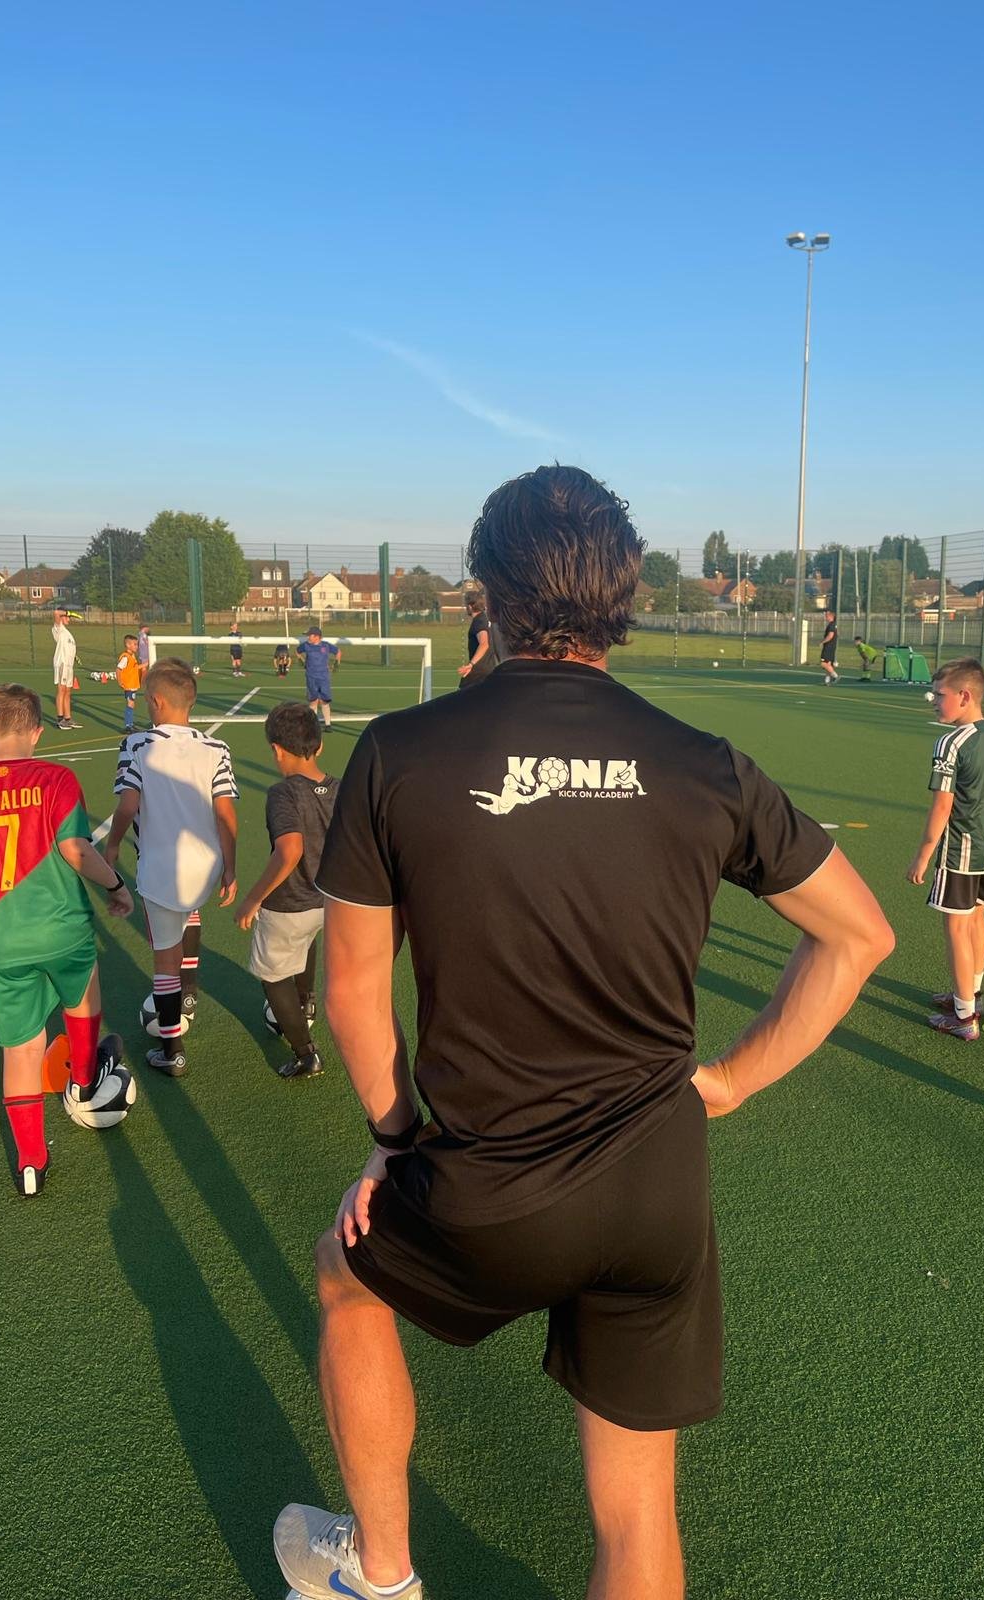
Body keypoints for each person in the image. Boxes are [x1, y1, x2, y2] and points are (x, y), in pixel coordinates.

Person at [272, 464, 894, 1600]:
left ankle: (382, 1570)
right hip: (656, 1187)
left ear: (486, 595)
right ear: (624, 595)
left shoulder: (400, 754)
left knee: (345, 1278)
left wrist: (396, 1134)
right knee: (638, 1506)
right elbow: (858, 937)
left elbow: (356, 990)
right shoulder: (706, 762)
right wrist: (729, 1085)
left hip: (485, 1180)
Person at [0, 684, 133, 1195]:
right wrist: (118, 887)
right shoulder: (56, 777)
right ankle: (82, 1080)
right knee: (82, 997)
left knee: (21, 1050)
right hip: (62, 929)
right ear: (36, 732)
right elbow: (76, 849)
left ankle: (31, 1162)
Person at [103, 657, 238, 1078]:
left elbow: (127, 805)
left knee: (164, 959)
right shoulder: (217, 747)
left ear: (157, 701)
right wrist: (230, 869)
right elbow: (227, 815)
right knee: (190, 912)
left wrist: (110, 850)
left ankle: (172, 1049)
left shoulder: (138, 745)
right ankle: (191, 992)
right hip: (206, 864)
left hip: (161, 867)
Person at [906, 656, 984, 1041]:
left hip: (963, 850)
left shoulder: (951, 742)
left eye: (940, 695)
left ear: (965, 696)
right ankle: (973, 995)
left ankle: (964, 1016)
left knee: (956, 925)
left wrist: (923, 854)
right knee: (976, 920)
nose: (934, 701)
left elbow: (943, 804)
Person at [235, 703, 339, 1080]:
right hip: (327, 900)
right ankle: (307, 1003)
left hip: (289, 905)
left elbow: (290, 849)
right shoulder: (339, 788)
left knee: (273, 975)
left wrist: (253, 898)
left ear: (277, 750)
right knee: (307, 942)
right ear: (319, 746)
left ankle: (305, 1053)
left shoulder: (283, 793)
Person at [297, 627, 341, 730]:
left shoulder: (326, 645)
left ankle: (328, 724)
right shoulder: (306, 646)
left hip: (324, 677)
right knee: (313, 701)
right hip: (311, 676)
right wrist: (301, 660)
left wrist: (336, 664)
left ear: (317, 637)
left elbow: (338, 652)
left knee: (325, 701)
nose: (308, 637)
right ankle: (314, 724)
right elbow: (297, 651)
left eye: (310, 635)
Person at [457, 587, 496, 688]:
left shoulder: (479, 621)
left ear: (470, 606)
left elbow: (484, 644)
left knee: (461, 700)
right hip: (488, 670)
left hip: (478, 672)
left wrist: (471, 664)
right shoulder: (485, 618)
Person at [104, 633, 142, 731]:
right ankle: (128, 725)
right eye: (135, 644)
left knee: (132, 704)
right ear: (128, 645)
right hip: (129, 684)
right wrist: (120, 681)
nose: (136, 646)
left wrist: (145, 665)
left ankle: (130, 724)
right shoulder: (125, 657)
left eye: (137, 644)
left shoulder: (132, 656)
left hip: (133, 684)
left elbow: (134, 668)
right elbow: (118, 669)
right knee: (130, 703)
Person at [52, 607, 79, 728]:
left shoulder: (67, 633)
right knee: (61, 690)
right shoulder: (59, 629)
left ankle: (68, 718)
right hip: (61, 663)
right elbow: (56, 612)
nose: (69, 619)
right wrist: (68, 612)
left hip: (69, 665)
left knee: (68, 691)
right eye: (67, 617)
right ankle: (60, 719)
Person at [819, 609, 839, 685]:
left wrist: (822, 642)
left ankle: (835, 676)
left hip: (829, 646)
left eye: (827, 615)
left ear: (831, 616)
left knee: (823, 663)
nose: (825, 617)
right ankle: (827, 681)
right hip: (831, 646)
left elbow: (830, 636)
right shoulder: (833, 624)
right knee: (828, 664)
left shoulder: (832, 625)